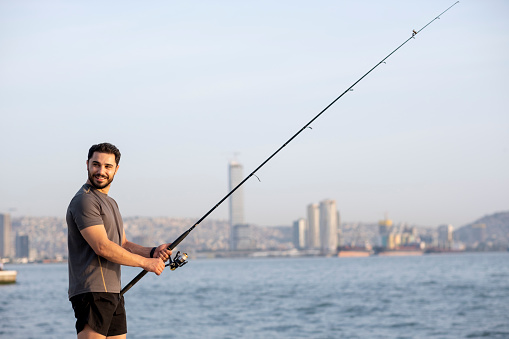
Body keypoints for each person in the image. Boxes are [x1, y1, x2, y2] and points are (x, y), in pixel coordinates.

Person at [67, 142, 172, 339]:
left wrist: (153, 252)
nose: (101, 171)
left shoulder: (111, 203)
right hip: (92, 292)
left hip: (113, 292)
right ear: (87, 164)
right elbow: (102, 247)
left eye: (107, 166)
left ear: (116, 169)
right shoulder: (85, 200)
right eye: (96, 164)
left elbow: (122, 244)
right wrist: (147, 263)